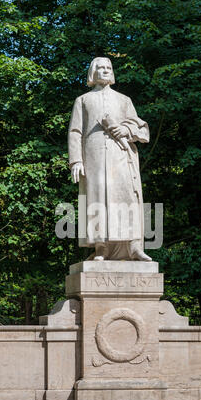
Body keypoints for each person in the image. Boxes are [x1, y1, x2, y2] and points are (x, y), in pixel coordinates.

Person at [68, 57, 152, 261]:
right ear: (92, 72)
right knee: (97, 200)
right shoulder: (83, 100)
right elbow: (75, 131)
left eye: (108, 68)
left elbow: (140, 127)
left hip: (121, 157)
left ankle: (134, 246)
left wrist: (125, 129)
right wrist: (76, 160)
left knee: (127, 197)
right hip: (94, 158)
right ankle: (101, 247)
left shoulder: (124, 100)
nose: (105, 71)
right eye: (100, 68)